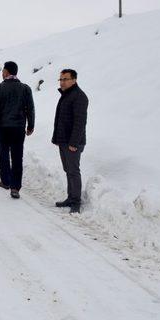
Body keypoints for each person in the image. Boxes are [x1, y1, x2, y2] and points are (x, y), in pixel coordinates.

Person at [0, 61, 35, 199]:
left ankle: (6, 181)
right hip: (19, 128)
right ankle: (15, 188)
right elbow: (30, 109)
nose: (2, 73)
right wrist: (30, 126)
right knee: (17, 156)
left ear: (7, 72)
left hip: (2, 127)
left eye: (3, 71)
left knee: (4, 155)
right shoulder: (26, 89)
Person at [52, 68, 88, 213]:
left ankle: (76, 202)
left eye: (65, 79)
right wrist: (57, 138)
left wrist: (74, 143)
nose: (62, 82)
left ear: (74, 80)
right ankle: (70, 198)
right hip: (63, 141)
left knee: (73, 171)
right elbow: (61, 120)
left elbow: (80, 122)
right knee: (68, 170)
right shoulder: (66, 95)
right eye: (60, 79)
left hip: (73, 143)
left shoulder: (79, 97)